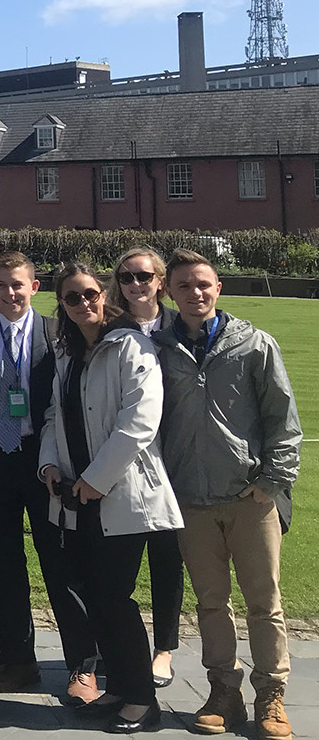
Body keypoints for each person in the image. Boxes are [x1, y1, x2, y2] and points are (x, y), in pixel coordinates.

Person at [152, 249, 300, 740]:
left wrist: (272, 483)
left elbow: (283, 419)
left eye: (204, 284)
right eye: (185, 286)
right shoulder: (157, 348)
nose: (196, 293)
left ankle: (271, 696)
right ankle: (224, 692)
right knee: (212, 603)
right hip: (191, 498)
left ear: (219, 288)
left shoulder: (254, 344)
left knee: (265, 602)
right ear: (168, 292)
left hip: (248, 497)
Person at [41, 262, 181, 734]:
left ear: (104, 295)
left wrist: (96, 479)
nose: (83, 304)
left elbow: (140, 421)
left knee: (113, 597)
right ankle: (121, 688)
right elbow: (52, 418)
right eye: (71, 298)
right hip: (76, 493)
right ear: (61, 305)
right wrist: (49, 466)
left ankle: (143, 701)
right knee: (95, 598)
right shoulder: (66, 354)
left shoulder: (131, 346)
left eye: (89, 294)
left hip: (122, 493)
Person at [0, 251, 97, 704]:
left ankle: (82, 666)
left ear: (34, 287)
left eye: (18, 284)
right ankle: (19, 659)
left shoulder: (58, 334)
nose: (10, 293)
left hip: (44, 460)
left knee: (60, 564)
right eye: (0, 285)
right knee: (2, 564)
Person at [105, 247, 182, 688]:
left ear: (160, 280)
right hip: (127, 460)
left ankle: (164, 649)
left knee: (168, 558)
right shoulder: (112, 327)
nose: (136, 284)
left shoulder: (180, 326)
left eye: (144, 276)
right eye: (127, 276)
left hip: (174, 455)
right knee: (121, 564)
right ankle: (118, 646)